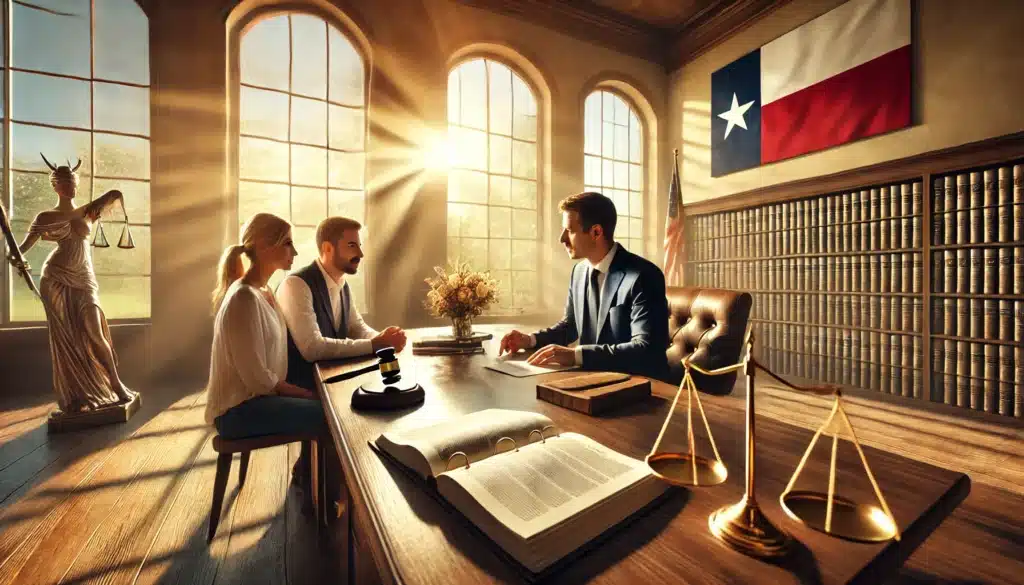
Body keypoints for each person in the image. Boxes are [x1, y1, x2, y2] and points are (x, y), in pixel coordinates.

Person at [10, 154, 135, 413]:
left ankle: (116, 384)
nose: (71, 185)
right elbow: (21, 249)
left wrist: (114, 192)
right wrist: (15, 257)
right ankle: (76, 393)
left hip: (84, 278)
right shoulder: (45, 216)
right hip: (55, 277)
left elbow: (112, 197)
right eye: (65, 181)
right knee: (67, 337)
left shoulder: (87, 211)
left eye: (73, 180)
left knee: (95, 332)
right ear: (55, 186)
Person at [498, 191, 669, 379]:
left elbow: (646, 350)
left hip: (641, 388)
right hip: (592, 383)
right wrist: (529, 340)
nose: (562, 238)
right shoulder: (579, 271)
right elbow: (571, 326)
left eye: (570, 231)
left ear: (596, 232)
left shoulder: (644, 276)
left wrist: (576, 355)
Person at [204, 212, 327, 446]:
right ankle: (310, 477)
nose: (296, 252)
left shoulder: (265, 291)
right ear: (263, 246)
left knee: (328, 404)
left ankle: (313, 478)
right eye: (288, 243)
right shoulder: (244, 298)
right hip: (236, 412)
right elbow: (258, 380)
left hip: (259, 400)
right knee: (329, 413)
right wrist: (307, 394)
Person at [276, 216, 407, 393]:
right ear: (328, 248)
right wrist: (377, 344)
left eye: (359, 246)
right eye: (352, 246)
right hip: (305, 392)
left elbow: (356, 327)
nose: (360, 254)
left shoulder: (342, 284)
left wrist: (385, 340)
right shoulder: (295, 285)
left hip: (336, 384)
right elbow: (312, 348)